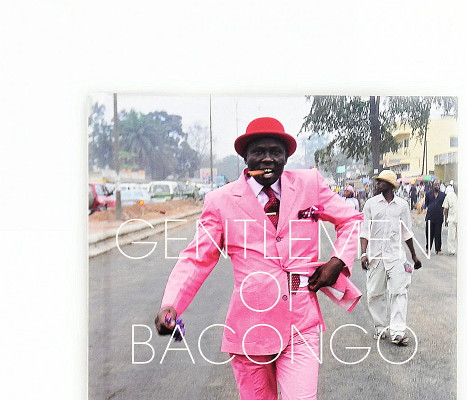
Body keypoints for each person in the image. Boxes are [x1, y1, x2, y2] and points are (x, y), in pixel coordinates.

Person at [154, 117, 363, 400]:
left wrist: (337, 261)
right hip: (249, 329)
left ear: (286, 157)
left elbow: (350, 219)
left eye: (275, 152)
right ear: (245, 157)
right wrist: (171, 303)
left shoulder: (309, 184)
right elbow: (197, 257)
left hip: (300, 323)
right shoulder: (221, 201)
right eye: (259, 152)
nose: (267, 159)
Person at [360, 170, 422, 346]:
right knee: (374, 294)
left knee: (399, 293)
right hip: (376, 257)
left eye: (381, 181)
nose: (378, 184)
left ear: (390, 185)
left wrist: (414, 256)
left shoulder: (402, 206)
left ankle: (397, 332)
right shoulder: (371, 204)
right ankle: (380, 327)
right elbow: (365, 231)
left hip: (395, 256)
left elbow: (406, 232)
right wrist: (364, 253)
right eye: (378, 181)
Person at [423, 180, 446, 255]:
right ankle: (428, 248)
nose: (437, 186)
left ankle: (438, 249)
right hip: (430, 216)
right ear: (433, 186)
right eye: (435, 185)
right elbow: (426, 204)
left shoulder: (443, 195)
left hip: (439, 217)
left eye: (438, 185)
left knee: (438, 234)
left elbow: (444, 205)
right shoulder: (428, 194)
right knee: (429, 233)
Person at [442, 184, 458, 255]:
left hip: (462, 220)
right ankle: (452, 251)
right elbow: (445, 209)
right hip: (451, 219)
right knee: (451, 236)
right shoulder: (449, 195)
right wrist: (445, 220)